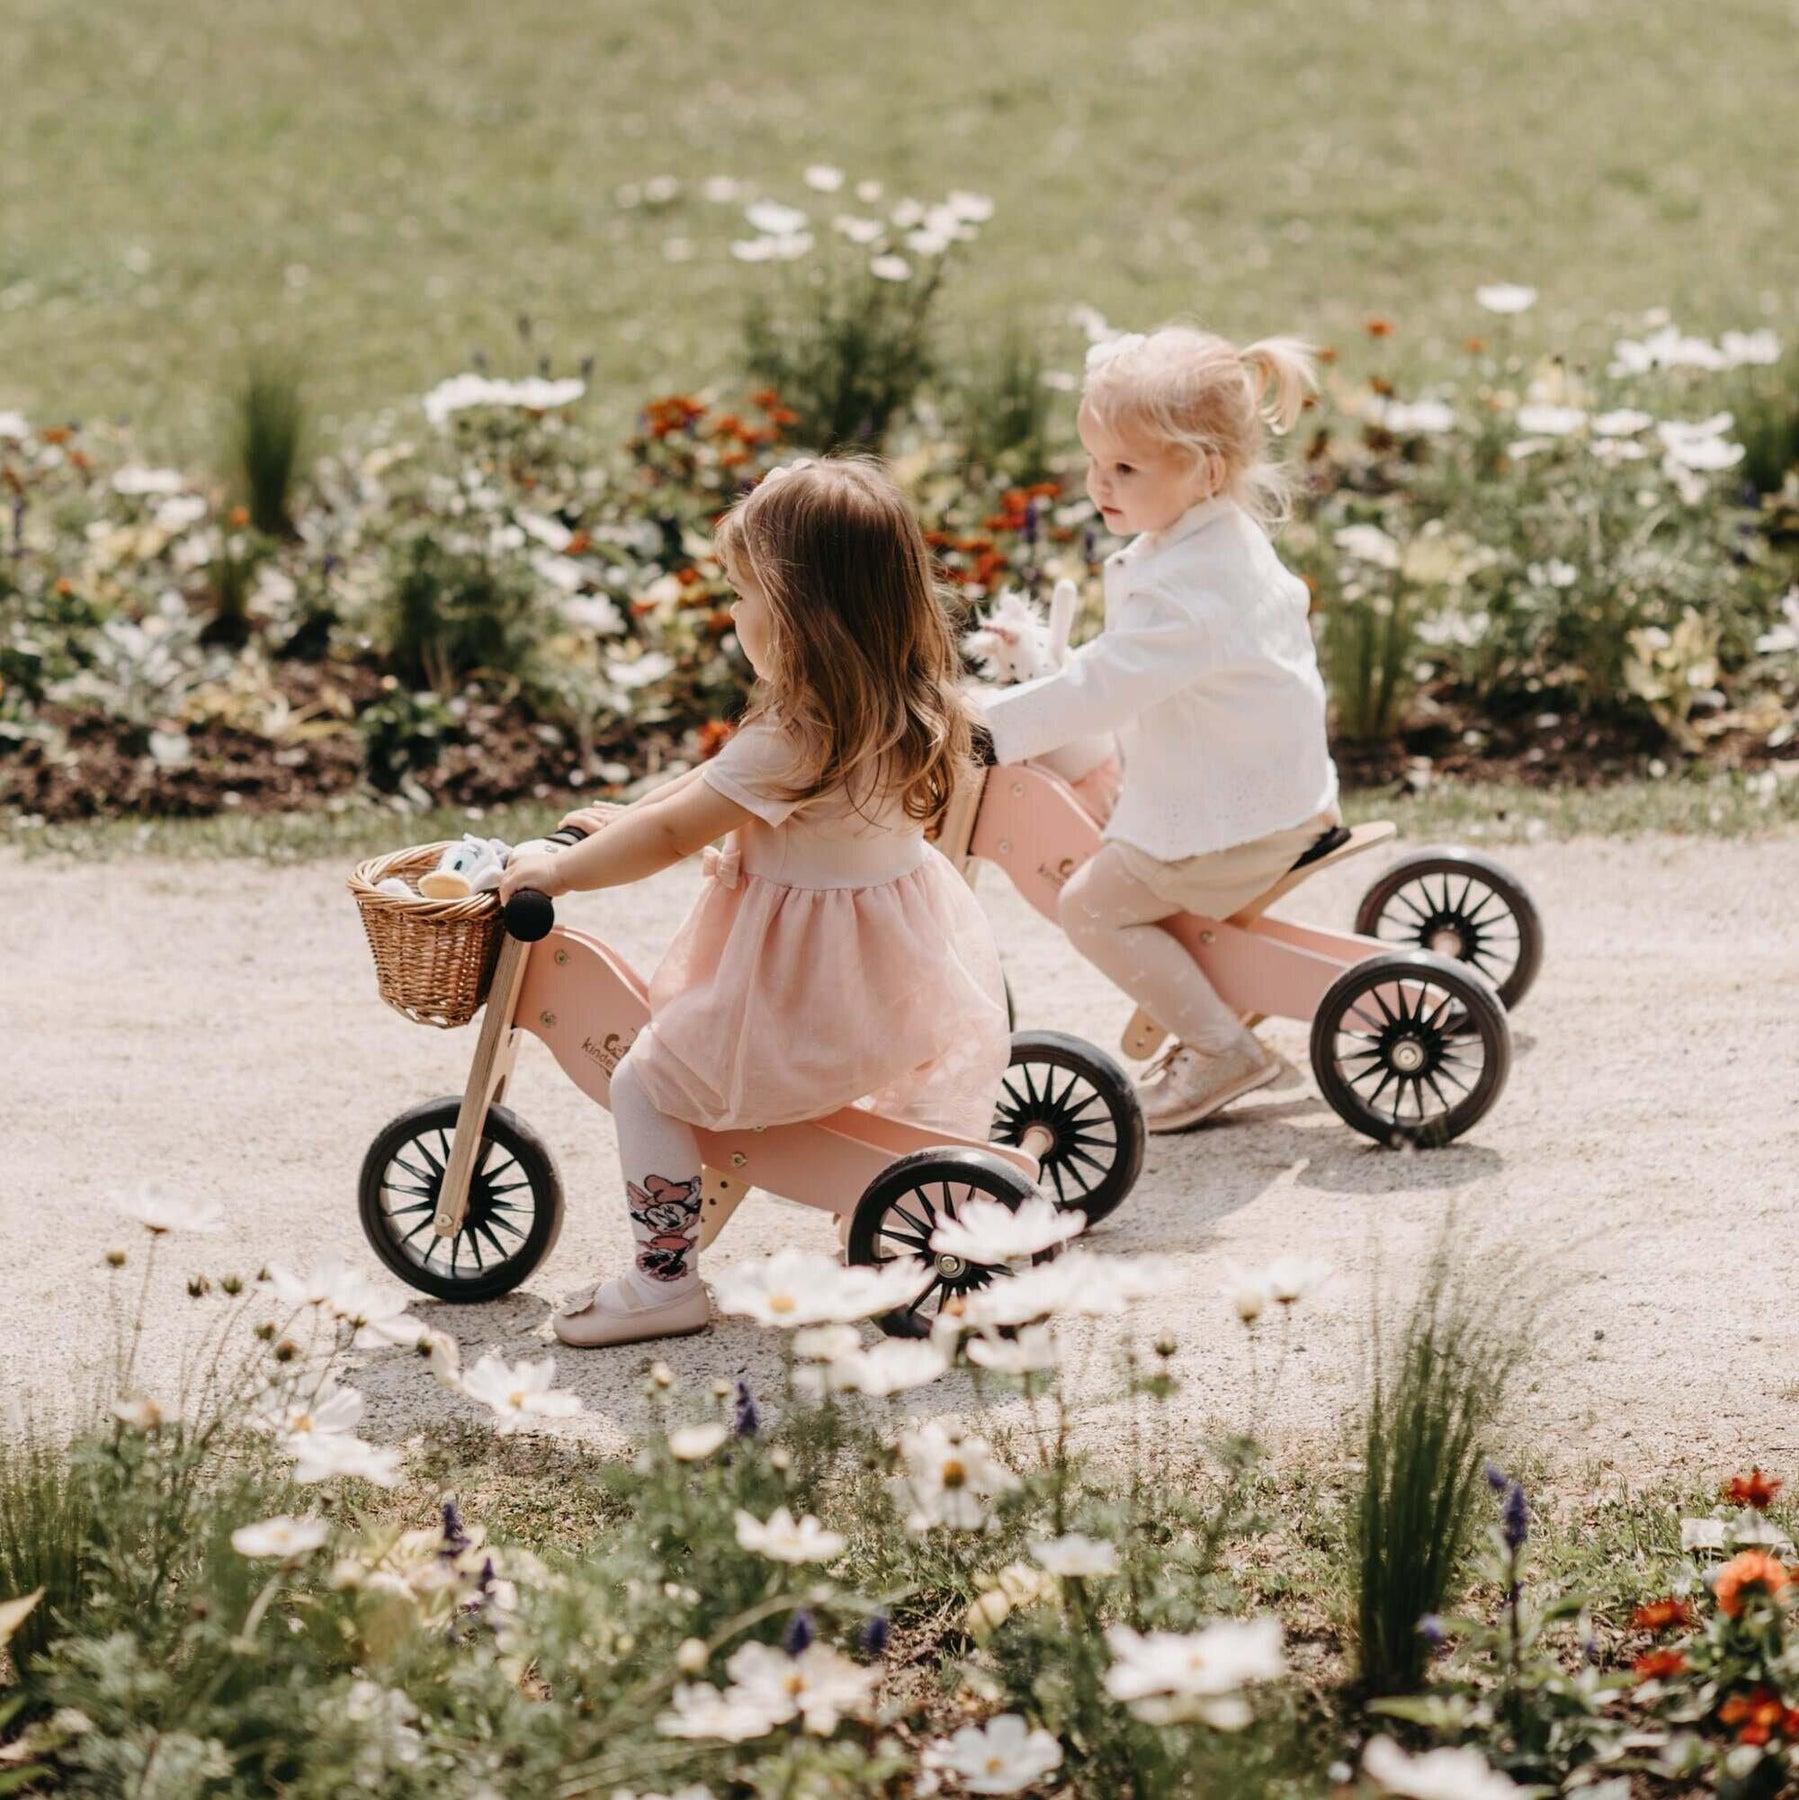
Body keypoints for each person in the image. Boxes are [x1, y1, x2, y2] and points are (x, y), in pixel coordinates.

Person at [500, 458, 1011, 1346]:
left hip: (794, 997)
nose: (732, 614)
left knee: (649, 1082)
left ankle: (662, 1283)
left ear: (797, 612)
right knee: (771, 1094)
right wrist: (638, 812)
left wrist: (557, 873)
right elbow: (698, 796)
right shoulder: (907, 709)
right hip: (893, 984)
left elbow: (675, 837)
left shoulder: (792, 739)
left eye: (741, 593)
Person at [979, 325, 1339, 1132]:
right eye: (1094, 463)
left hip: (1236, 822)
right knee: (1085, 766)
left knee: (1089, 907)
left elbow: (1112, 682)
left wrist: (990, 726)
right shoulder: (1201, 542)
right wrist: (1044, 669)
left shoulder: (1189, 587)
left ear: (1205, 468)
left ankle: (1221, 1051)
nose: (1097, 484)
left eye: (1124, 469)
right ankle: (1215, 1033)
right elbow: (1127, 673)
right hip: (1247, 780)